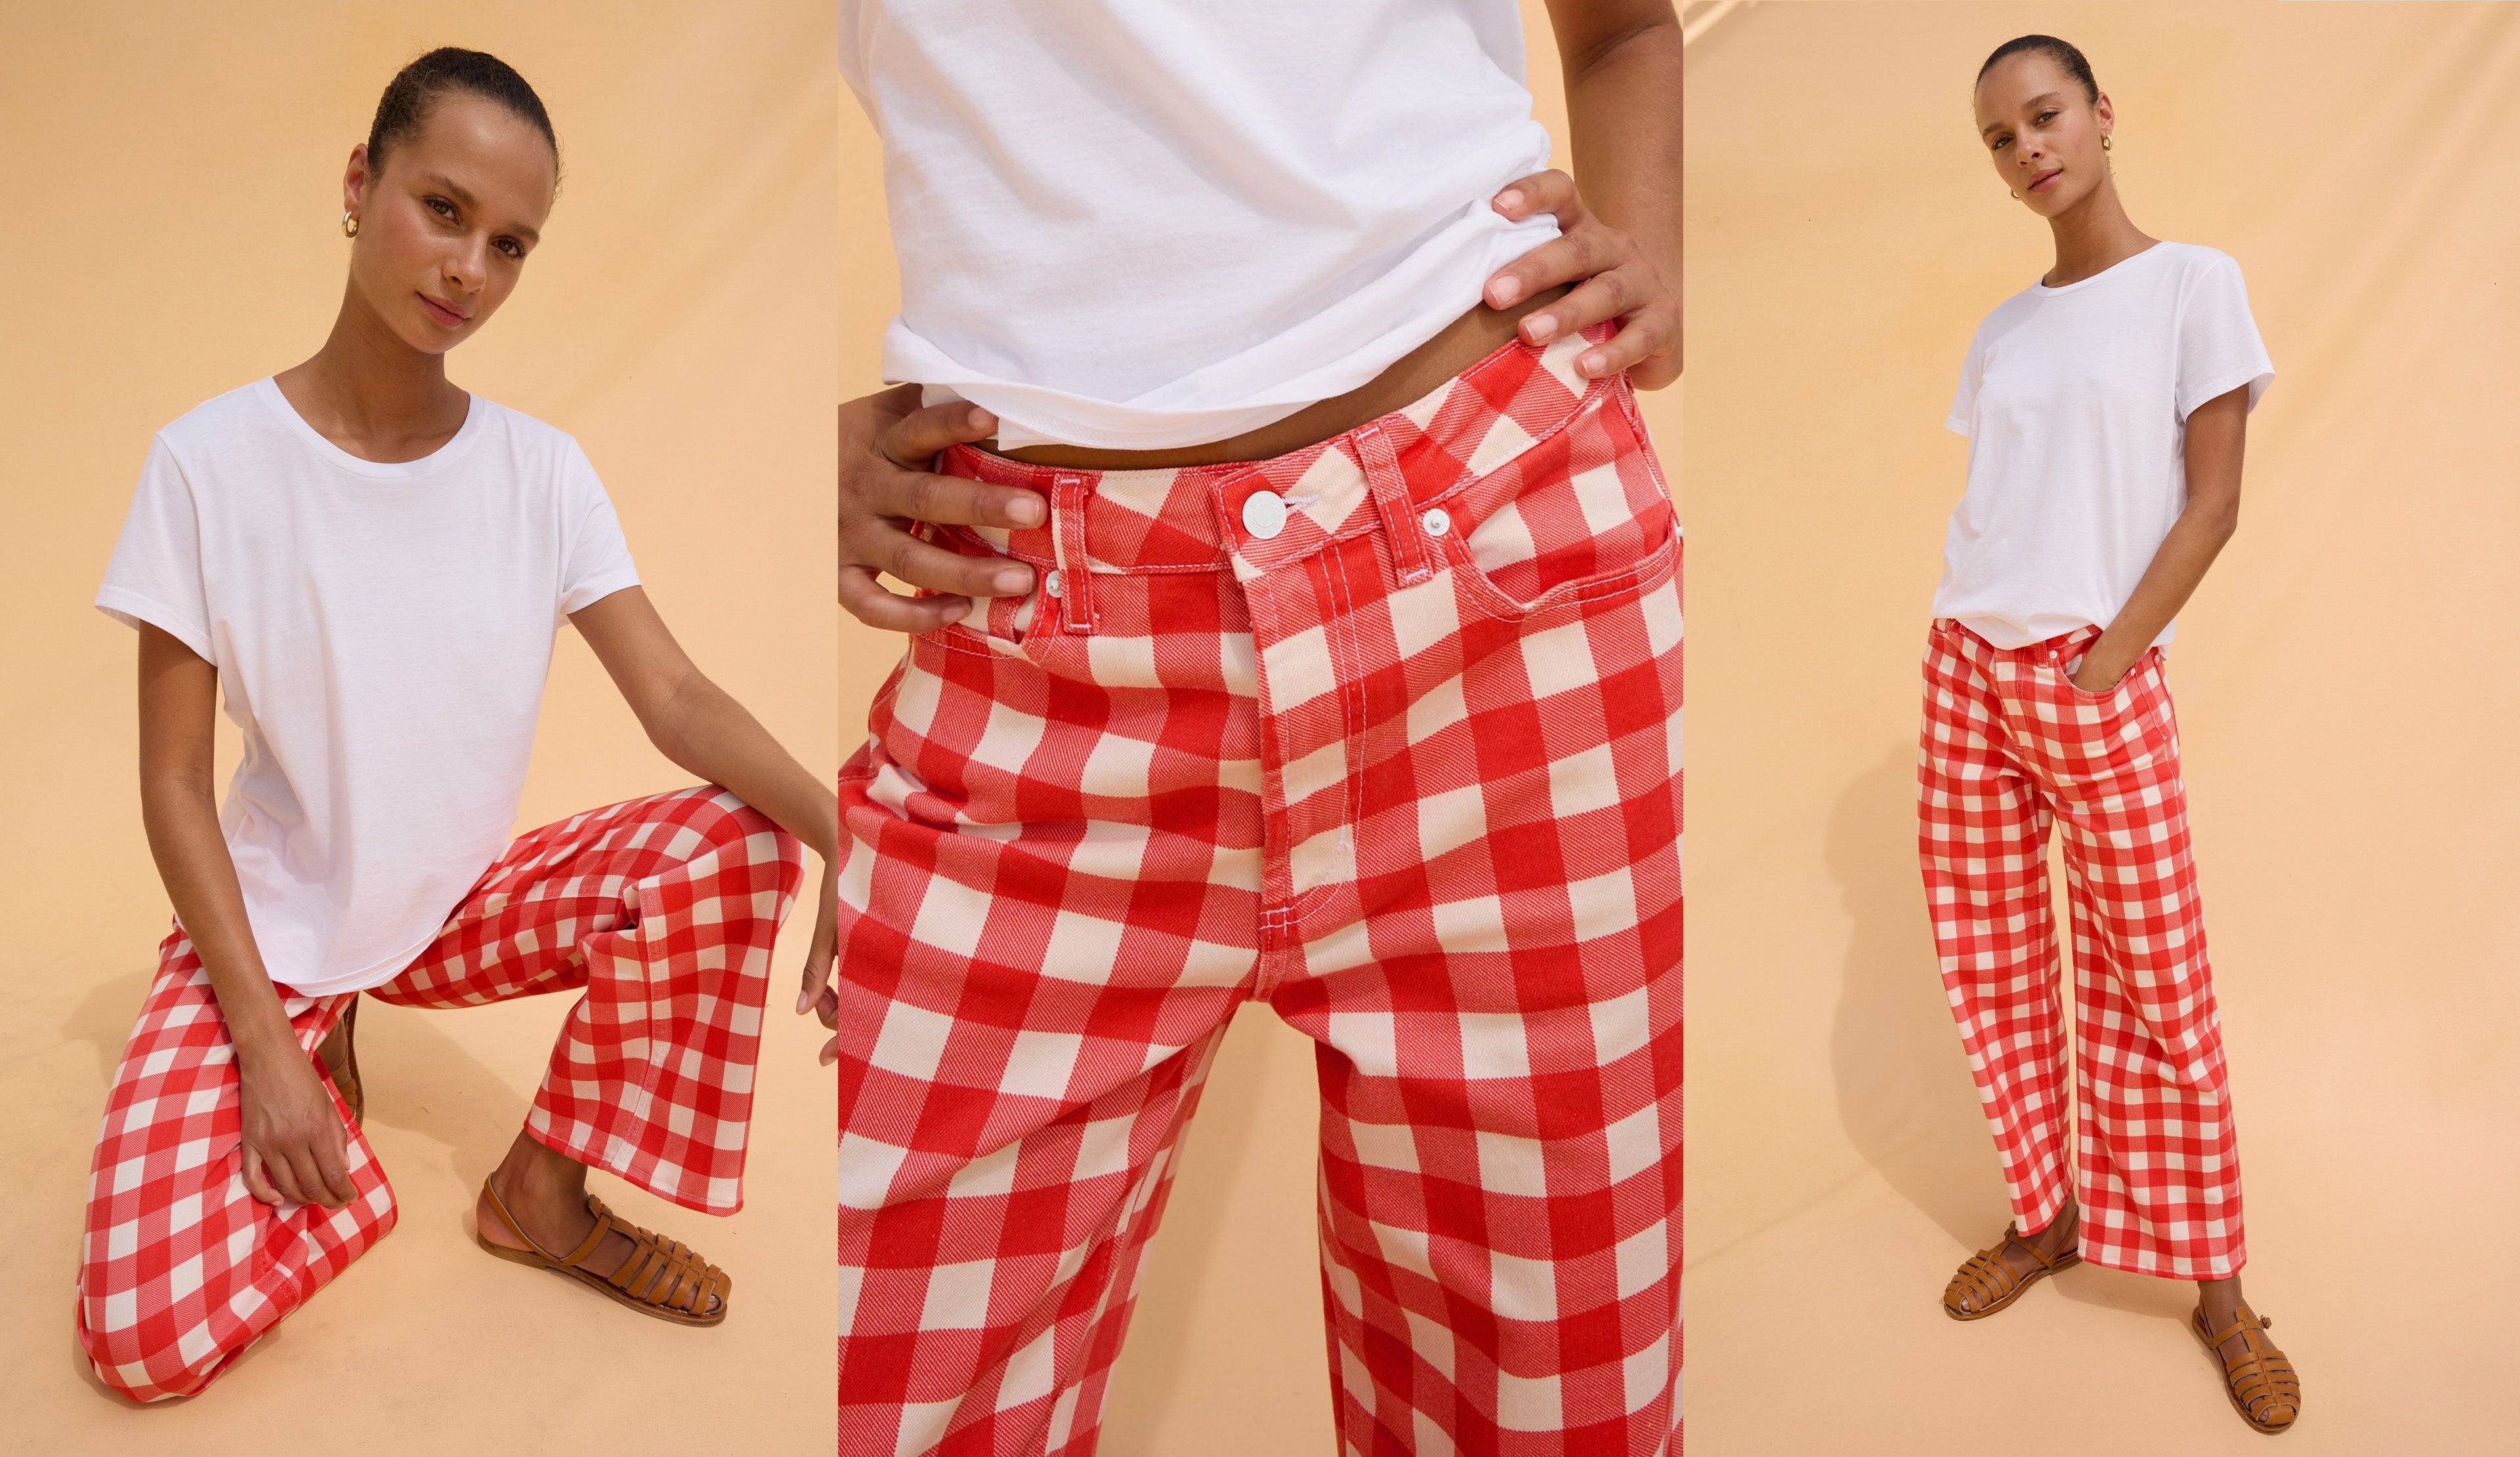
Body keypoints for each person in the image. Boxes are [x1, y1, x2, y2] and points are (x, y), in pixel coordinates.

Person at [815, 3, 1682, 1452]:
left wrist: (1650, 248)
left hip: (1505, 566)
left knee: (1552, 1407)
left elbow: (1626, 27)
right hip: (1035, 634)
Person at [77, 48, 838, 1403]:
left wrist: (846, 834)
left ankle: (540, 1195)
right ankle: (333, 1109)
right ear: (361, 186)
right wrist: (265, 1049)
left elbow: (674, 698)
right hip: (275, 934)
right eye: (443, 210)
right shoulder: (207, 464)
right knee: (139, 1340)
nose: (468, 269)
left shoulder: (540, 474)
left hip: (469, 904)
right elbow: (178, 783)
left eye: (510, 244)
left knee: (743, 842)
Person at [1920, 35, 2299, 1435]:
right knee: (1992, 961)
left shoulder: (2196, 284)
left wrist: (2109, 662)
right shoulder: (2005, 328)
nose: (2028, 150)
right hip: (1967, 664)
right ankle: (2051, 1212)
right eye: (2001, 139)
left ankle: (2218, 1290)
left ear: (2100, 116)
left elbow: (2215, 502)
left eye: (2045, 117)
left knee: (2155, 978)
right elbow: (2006, 503)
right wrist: (1978, 640)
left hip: (2094, 674)